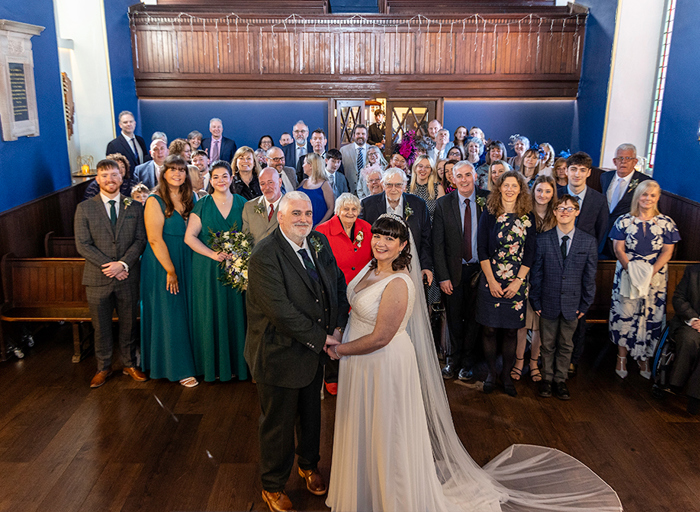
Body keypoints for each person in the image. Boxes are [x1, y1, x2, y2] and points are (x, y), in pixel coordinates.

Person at [325, 214, 623, 512]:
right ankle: (363, 488)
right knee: (363, 424)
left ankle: (391, 498)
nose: (381, 242)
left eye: (390, 238)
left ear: (404, 245)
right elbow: (355, 311)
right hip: (358, 360)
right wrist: (339, 334)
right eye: (378, 235)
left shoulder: (399, 282)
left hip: (381, 363)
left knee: (386, 430)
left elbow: (381, 337)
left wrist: (341, 350)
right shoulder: (368, 268)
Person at [245, 191, 349, 512]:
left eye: (308, 213)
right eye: (296, 214)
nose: (304, 219)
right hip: (277, 354)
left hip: (312, 351)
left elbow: (337, 285)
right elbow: (281, 311)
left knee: (311, 416)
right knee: (278, 423)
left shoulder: (317, 242)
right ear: (280, 216)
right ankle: (273, 485)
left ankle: (308, 465)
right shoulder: (265, 254)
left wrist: (337, 327)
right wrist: (324, 340)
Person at [74, 159, 147, 388]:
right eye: (105, 176)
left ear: (121, 177)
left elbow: (140, 240)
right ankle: (103, 367)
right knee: (101, 327)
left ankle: (129, 363)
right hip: (98, 278)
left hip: (128, 277)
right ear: (97, 179)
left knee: (129, 324)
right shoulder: (85, 208)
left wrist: (123, 264)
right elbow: (83, 245)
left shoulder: (134, 206)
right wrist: (110, 266)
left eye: (114, 175)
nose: (110, 180)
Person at [184, 160, 248, 382]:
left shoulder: (243, 203)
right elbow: (189, 237)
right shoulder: (202, 204)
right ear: (210, 180)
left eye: (225, 176)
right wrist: (212, 254)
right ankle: (212, 368)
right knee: (211, 314)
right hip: (208, 269)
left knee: (236, 314)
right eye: (216, 177)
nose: (221, 180)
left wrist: (240, 256)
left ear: (232, 178)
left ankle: (237, 366)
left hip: (236, 269)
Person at [609, 180, 680, 379]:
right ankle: (621, 356)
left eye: (652, 195)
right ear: (637, 196)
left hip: (654, 276)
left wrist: (650, 273)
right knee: (625, 314)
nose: (647, 199)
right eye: (644, 194)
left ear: (657, 198)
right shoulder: (623, 221)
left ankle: (644, 358)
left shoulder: (667, 223)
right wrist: (632, 271)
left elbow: (667, 251)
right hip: (627, 272)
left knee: (649, 316)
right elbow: (618, 248)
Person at [530, 195, 598, 400]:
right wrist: (535, 300)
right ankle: (547, 379)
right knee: (548, 343)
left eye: (570, 209)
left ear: (577, 212)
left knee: (566, 344)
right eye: (560, 208)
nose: (565, 212)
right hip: (547, 301)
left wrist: (585, 304)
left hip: (573, 303)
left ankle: (560, 380)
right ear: (554, 212)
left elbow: (589, 275)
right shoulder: (543, 240)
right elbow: (537, 273)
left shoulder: (588, 242)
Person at [140, 155, 198, 388]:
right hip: (163, 263)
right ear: (163, 173)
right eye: (172, 169)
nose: (177, 174)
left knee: (187, 312)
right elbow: (154, 239)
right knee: (170, 313)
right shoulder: (155, 200)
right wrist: (170, 270)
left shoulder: (191, 197)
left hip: (187, 258)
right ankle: (177, 368)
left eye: (181, 170)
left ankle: (195, 362)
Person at [477, 170, 536, 396]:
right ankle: (492, 373)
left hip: (516, 281)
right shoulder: (489, 213)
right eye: (506, 185)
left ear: (520, 189)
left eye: (514, 186)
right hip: (490, 278)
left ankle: (506, 375)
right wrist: (491, 281)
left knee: (511, 331)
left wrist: (518, 282)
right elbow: (481, 249)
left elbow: (530, 252)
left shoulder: (527, 216)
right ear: (499, 188)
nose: (510, 189)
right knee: (490, 329)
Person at [434, 161, 489, 381]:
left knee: (474, 319)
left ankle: (468, 363)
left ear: (475, 176)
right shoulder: (443, 204)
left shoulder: (488, 200)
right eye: (459, 176)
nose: (464, 179)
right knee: (455, 319)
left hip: (481, 270)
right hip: (453, 272)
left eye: (468, 175)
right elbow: (438, 244)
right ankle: (453, 361)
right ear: (452, 179)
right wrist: (443, 276)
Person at [316, 193, 373, 395]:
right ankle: (332, 376)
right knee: (335, 329)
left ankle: (357, 373)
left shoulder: (367, 229)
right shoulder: (322, 231)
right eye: (345, 209)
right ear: (338, 210)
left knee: (358, 331)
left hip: (362, 289)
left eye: (354, 209)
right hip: (335, 290)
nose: (350, 212)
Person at [557, 152, 608, 375]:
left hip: (582, 263)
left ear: (588, 173)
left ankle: (572, 359)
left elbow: (602, 232)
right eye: (573, 169)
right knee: (552, 310)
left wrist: (588, 257)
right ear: (566, 171)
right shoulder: (556, 194)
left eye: (582, 170)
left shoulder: (598, 199)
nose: (577, 174)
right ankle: (547, 355)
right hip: (555, 259)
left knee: (578, 313)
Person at [512, 175, 557, 382]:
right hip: (523, 272)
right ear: (532, 191)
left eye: (547, 191)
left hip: (546, 274)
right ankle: (519, 360)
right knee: (522, 320)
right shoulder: (524, 214)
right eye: (539, 190)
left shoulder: (555, 217)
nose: (543, 195)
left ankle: (534, 362)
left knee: (539, 322)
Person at [360, 168, 433, 287]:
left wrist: (425, 266)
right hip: (378, 267)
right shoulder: (368, 205)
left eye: (398, 185)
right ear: (383, 185)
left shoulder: (419, 204)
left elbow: (426, 239)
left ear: (405, 186)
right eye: (389, 185)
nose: (393, 189)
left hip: (411, 266)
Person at [599, 143, 652, 259]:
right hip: (603, 236)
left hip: (627, 238)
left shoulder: (644, 181)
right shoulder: (605, 177)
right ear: (614, 161)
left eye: (628, 158)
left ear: (635, 161)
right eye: (620, 158)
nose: (623, 162)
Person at [667, 264, 700, 414]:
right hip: (690, 322)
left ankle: (695, 398)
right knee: (689, 339)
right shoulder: (692, 271)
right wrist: (694, 319)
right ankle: (676, 384)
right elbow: (679, 298)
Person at [242, 166, 283, 245]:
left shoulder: (291, 206)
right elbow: (246, 240)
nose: (266, 187)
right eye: (262, 184)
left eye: (270, 182)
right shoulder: (249, 207)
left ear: (280, 182)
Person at [299, 153, 334, 227]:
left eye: (304, 163)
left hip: (318, 227)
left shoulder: (325, 184)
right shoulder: (303, 182)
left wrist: (320, 225)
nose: (303, 166)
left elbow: (331, 208)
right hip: (301, 224)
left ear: (311, 165)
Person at [408, 155, 444, 220]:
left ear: (431, 170)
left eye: (427, 167)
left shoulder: (438, 188)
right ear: (415, 168)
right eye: (420, 166)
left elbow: (442, 215)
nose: (423, 169)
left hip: (432, 228)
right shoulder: (406, 188)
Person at [340, 124, 369, 194]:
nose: (360, 136)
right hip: (349, 191)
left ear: (367, 136)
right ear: (353, 136)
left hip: (368, 192)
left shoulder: (373, 150)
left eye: (363, 134)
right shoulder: (343, 150)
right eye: (358, 134)